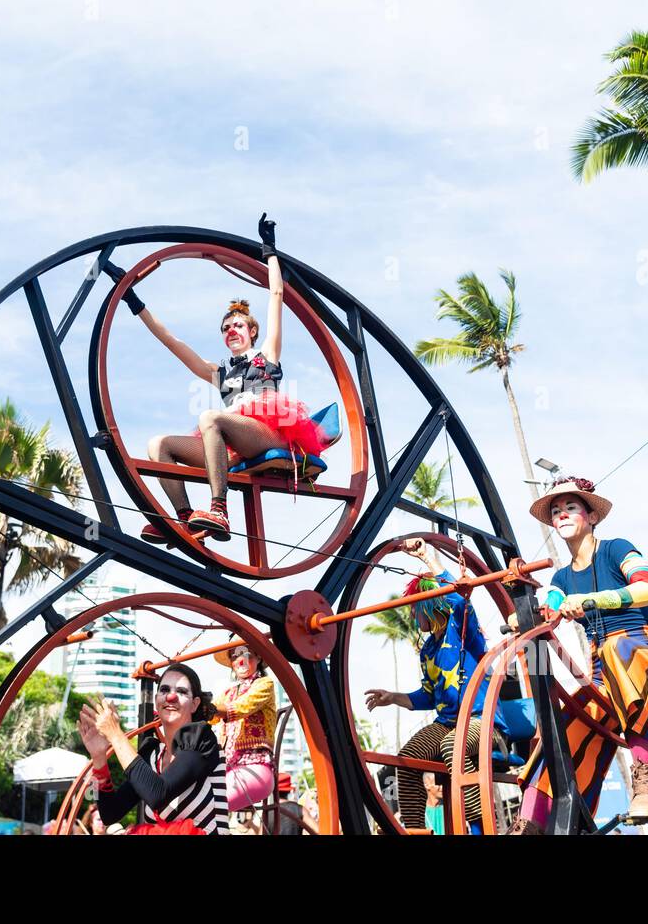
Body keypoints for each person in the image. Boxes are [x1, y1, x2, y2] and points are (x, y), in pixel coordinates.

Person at [131, 214, 332, 543]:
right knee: (159, 444)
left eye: (237, 325)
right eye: (225, 329)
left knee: (210, 416)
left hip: (268, 434)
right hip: (232, 440)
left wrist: (270, 251)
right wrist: (134, 303)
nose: (231, 331)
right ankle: (187, 520)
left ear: (252, 330)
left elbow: (277, 296)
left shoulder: (267, 353)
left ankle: (219, 508)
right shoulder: (218, 371)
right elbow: (172, 342)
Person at [509, 477, 648, 834]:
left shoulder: (616, 549)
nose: (561, 515)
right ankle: (532, 821)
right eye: (556, 511)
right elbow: (552, 606)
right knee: (565, 728)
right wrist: (525, 612)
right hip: (605, 679)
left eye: (570, 508)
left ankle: (646, 782)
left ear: (591, 515)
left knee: (616, 648)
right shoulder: (561, 577)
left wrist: (594, 600)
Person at [365, 538, 508, 834]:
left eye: (416, 608)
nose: (412, 615)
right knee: (406, 760)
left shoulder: (463, 630)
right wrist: (393, 697)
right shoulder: (428, 649)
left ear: (430, 605)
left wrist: (429, 560)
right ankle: (415, 829)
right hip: (448, 724)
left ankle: (479, 825)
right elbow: (428, 696)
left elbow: (458, 597)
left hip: (482, 723)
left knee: (450, 745)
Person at [79, 662, 228, 834]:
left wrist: (116, 735)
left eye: (181, 691)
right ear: (157, 701)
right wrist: (99, 757)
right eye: (164, 690)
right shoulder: (152, 754)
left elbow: (158, 795)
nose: (171, 697)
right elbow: (110, 814)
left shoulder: (203, 742)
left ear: (195, 704)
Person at [211, 643, 277, 810]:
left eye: (246, 654)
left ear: (258, 657)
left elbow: (243, 706)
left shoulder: (264, 684)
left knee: (209, 806)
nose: (240, 660)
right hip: (226, 768)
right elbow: (210, 718)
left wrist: (210, 709)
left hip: (254, 767)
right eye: (235, 656)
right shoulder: (228, 693)